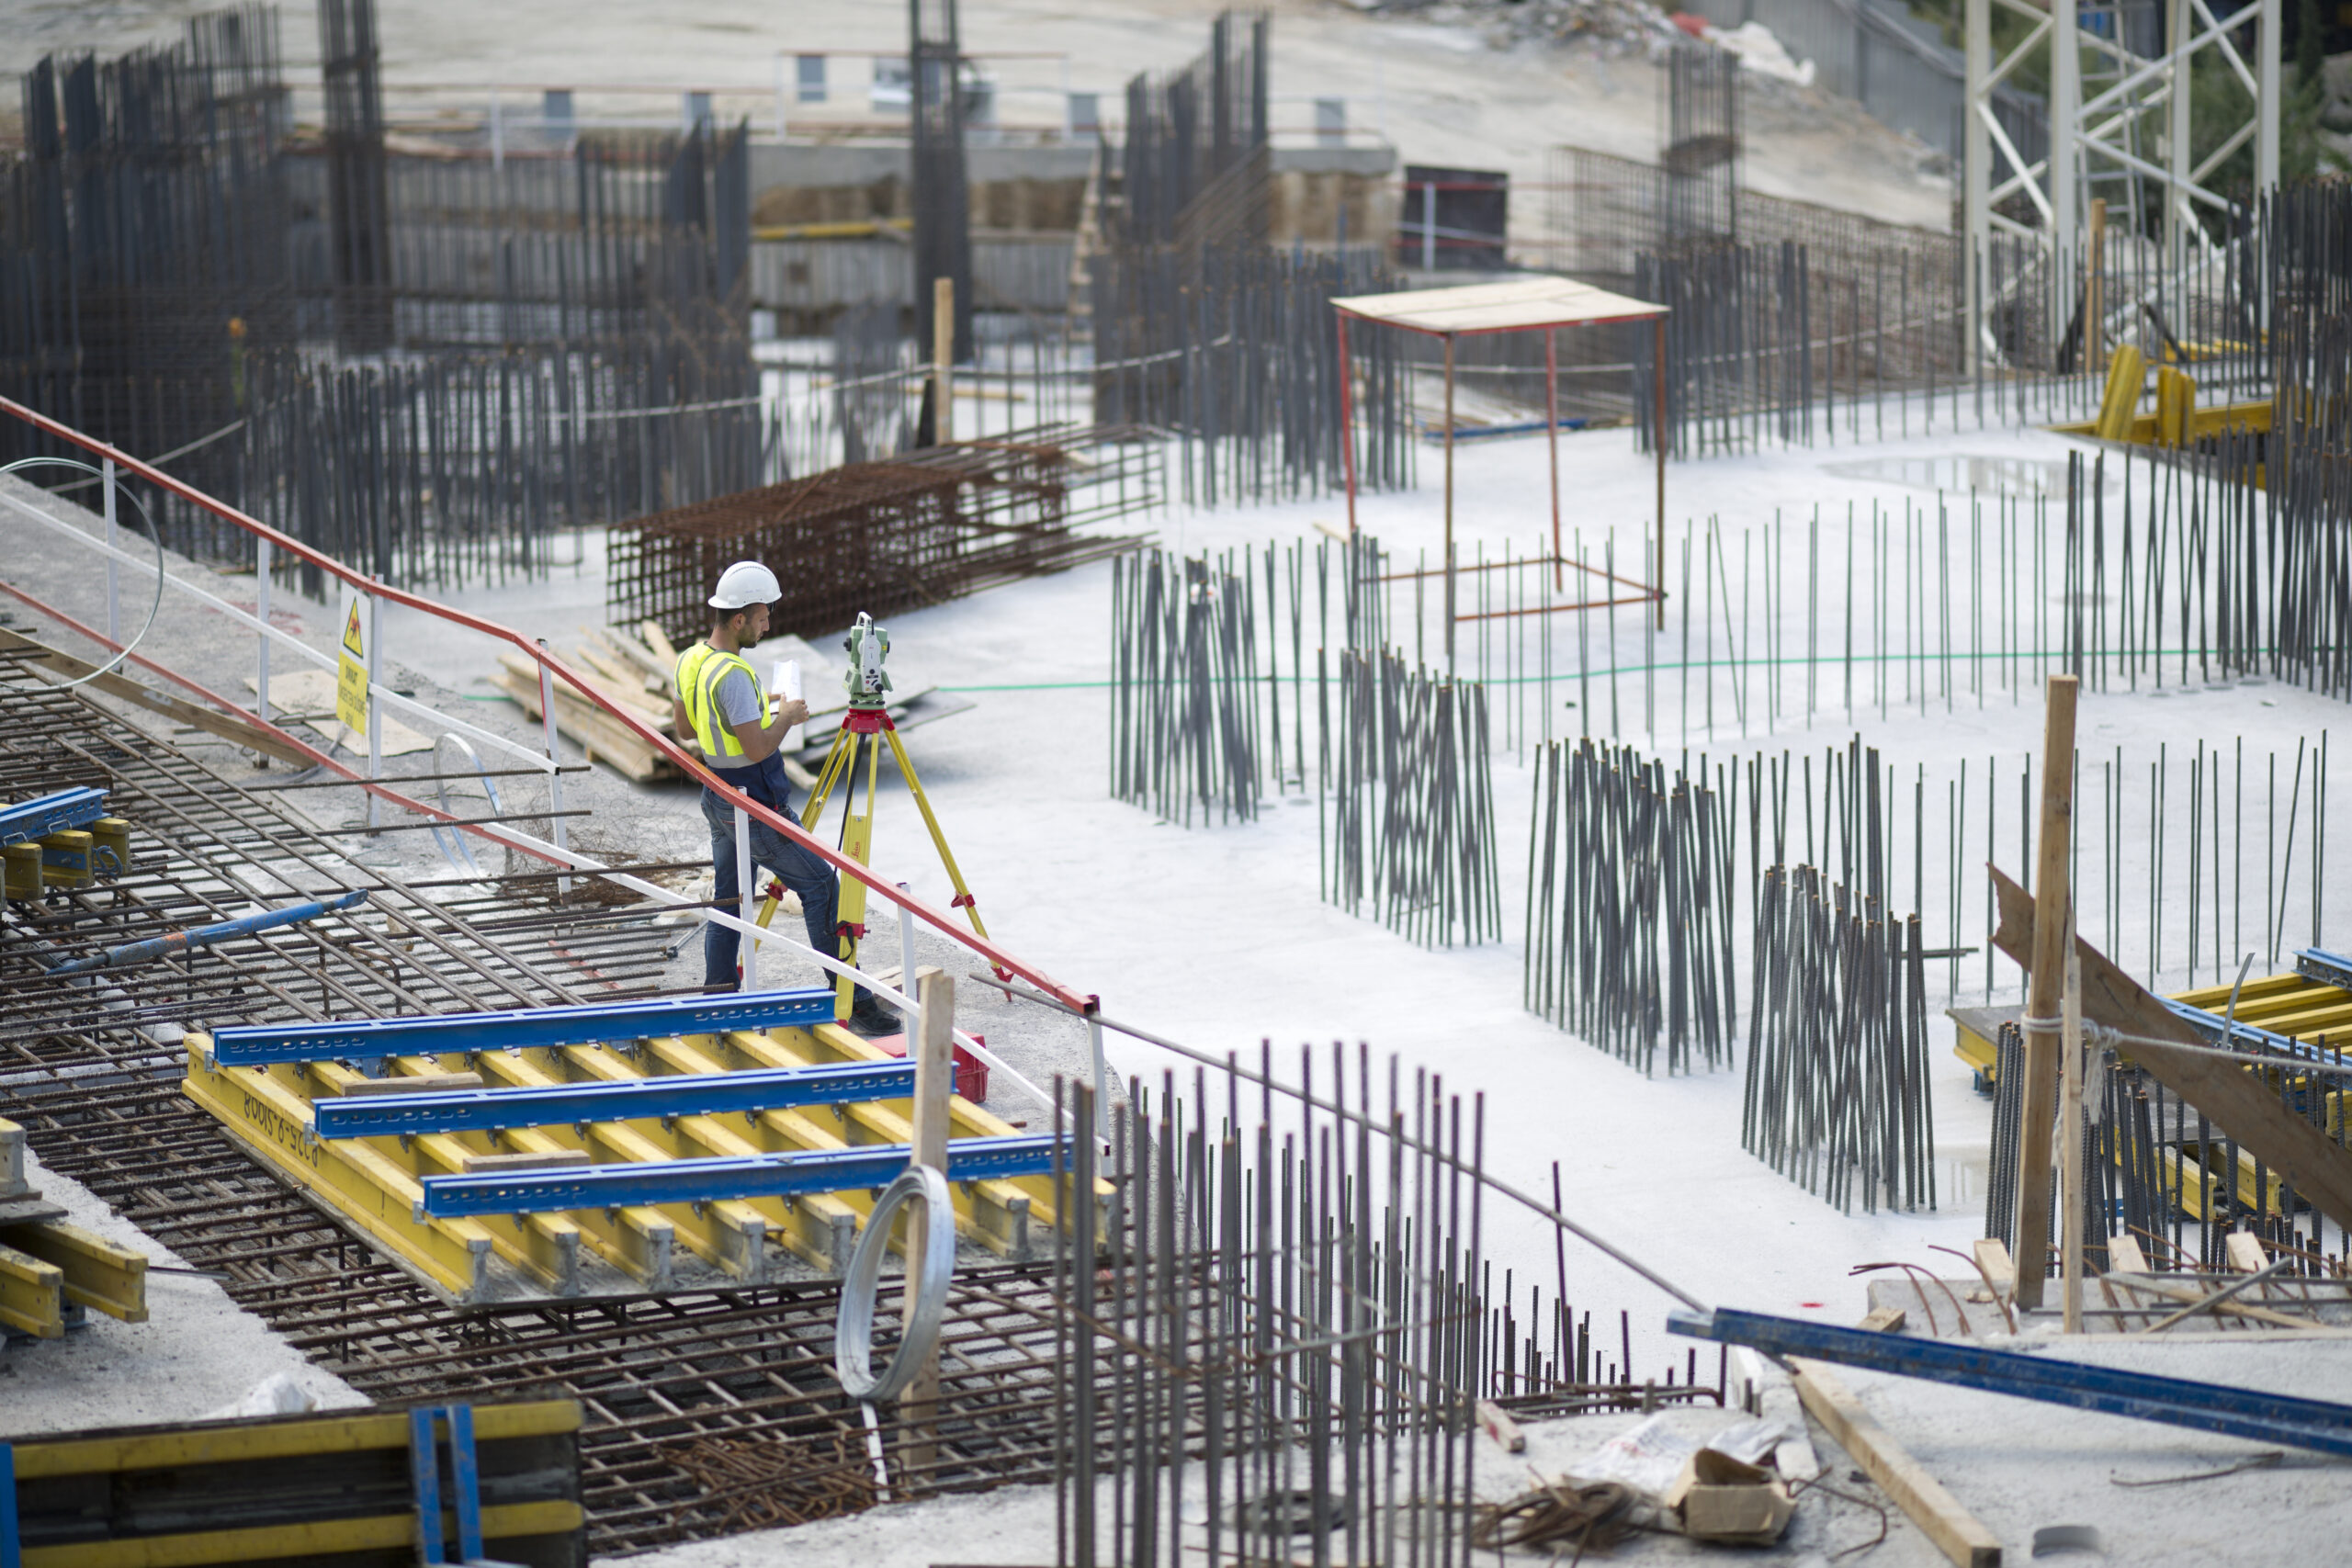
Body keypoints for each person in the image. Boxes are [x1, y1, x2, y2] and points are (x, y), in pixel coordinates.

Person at [673, 561, 894, 1034]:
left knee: (730, 899)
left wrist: (754, 710)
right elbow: (755, 747)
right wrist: (787, 717)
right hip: (754, 805)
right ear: (739, 620)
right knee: (820, 885)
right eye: (762, 617)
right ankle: (852, 1003)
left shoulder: (691, 659)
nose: (768, 625)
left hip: (718, 797)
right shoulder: (732, 674)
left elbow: (688, 727)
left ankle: (717, 998)